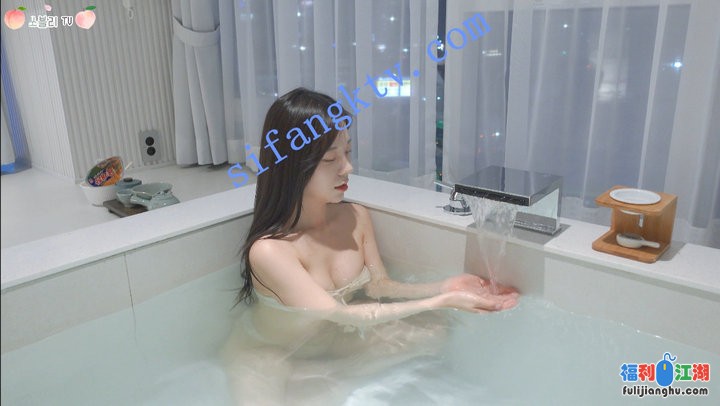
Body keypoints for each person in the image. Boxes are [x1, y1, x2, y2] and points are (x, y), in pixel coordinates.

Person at [222, 88, 518, 405]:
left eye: (348, 152)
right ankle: (317, 383)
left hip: (334, 344)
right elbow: (337, 313)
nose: (347, 167)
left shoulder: (355, 217)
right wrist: (440, 301)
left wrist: (445, 286)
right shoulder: (270, 251)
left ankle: (327, 378)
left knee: (435, 330)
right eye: (330, 159)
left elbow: (380, 286)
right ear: (293, 165)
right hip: (272, 355)